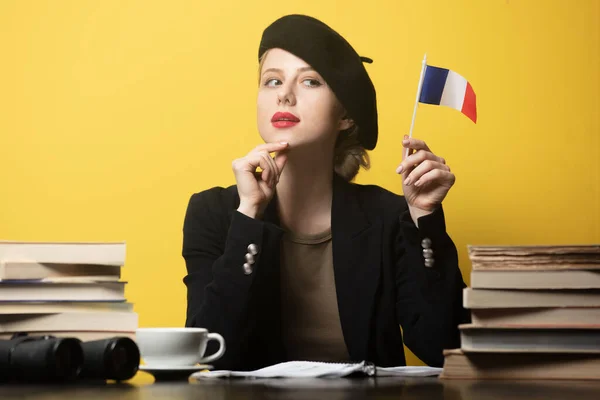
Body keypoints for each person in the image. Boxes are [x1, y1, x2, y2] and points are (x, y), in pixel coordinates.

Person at [182, 14, 470, 371]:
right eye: (272, 81)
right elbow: (207, 350)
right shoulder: (212, 212)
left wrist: (425, 219)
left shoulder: (389, 217)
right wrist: (248, 217)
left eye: (310, 81)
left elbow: (442, 346)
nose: (285, 95)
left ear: (346, 115)